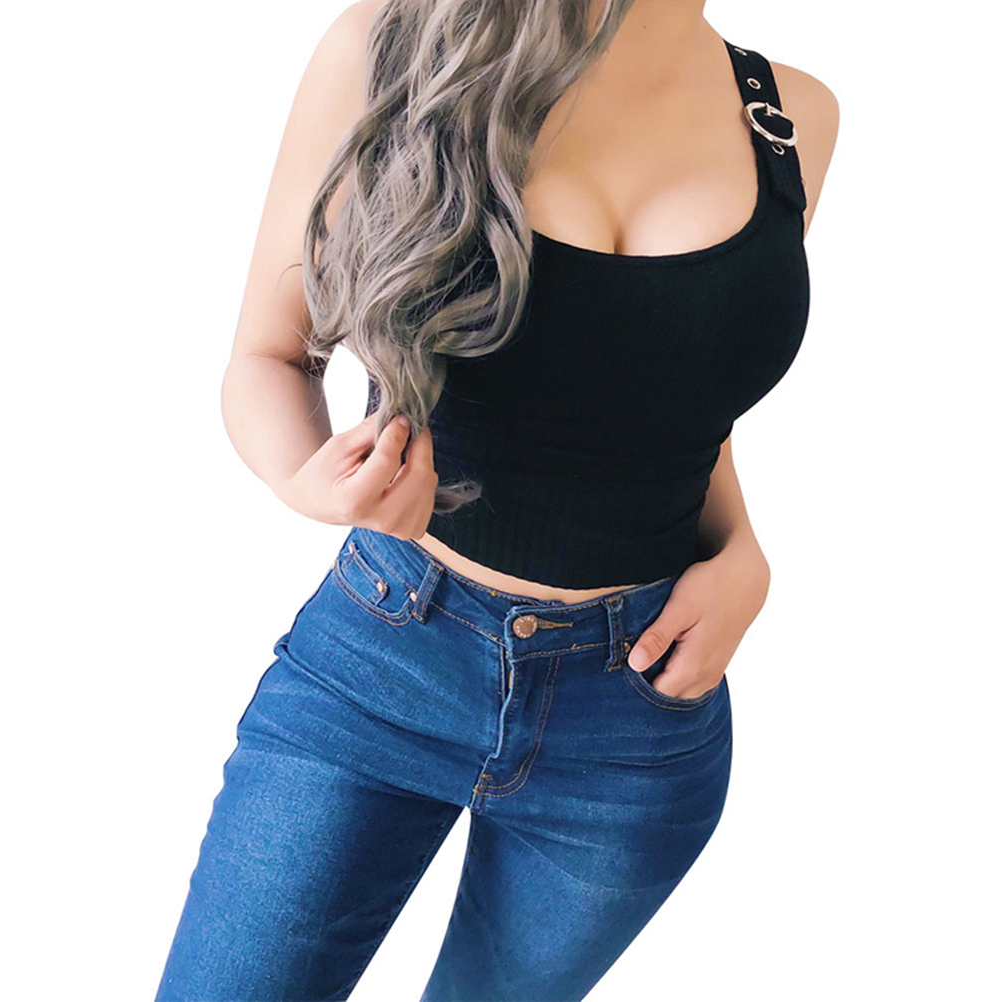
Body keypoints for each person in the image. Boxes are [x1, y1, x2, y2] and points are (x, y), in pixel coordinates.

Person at [155, 1, 839, 999]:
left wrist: (744, 553)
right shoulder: (393, 50)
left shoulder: (791, 118)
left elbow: (673, 399)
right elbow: (269, 355)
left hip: (637, 722)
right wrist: (308, 480)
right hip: (385, 663)